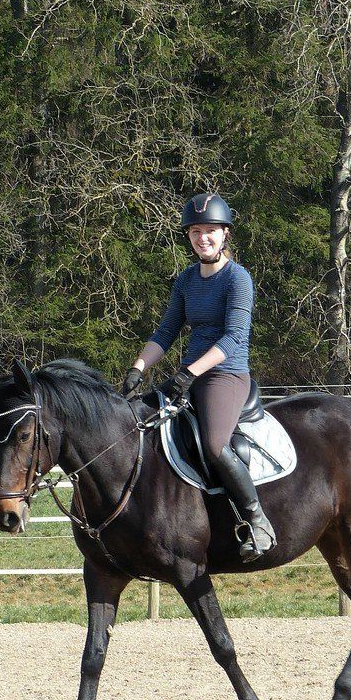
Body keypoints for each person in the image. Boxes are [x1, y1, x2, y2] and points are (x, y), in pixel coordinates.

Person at [121, 192, 276, 561]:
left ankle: (258, 522)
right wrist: (137, 369)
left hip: (225, 375)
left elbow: (234, 336)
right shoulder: (187, 280)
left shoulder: (238, 279)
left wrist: (189, 372)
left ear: (225, 235)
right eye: (195, 232)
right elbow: (165, 332)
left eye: (210, 231)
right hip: (188, 375)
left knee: (213, 445)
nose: (202, 238)